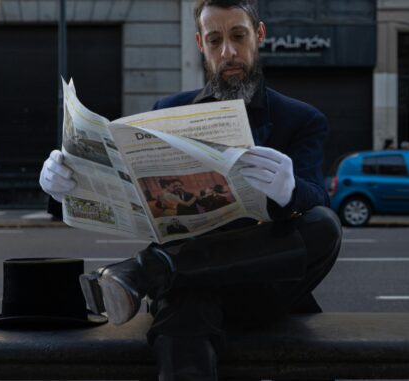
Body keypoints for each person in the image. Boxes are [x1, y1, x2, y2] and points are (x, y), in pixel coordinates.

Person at [39, 1, 342, 379]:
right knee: (184, 315)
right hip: (190, 292)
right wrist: (62, 186)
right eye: (215, 40)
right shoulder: (167, 111)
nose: (228, 52)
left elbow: (317, 194)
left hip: (263, 287)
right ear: (200, 44)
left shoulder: (301, 119)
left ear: (259, 35)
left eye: (238, 36)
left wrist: (290, 191)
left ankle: (146, 271)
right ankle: (162, 270)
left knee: (325, 225)